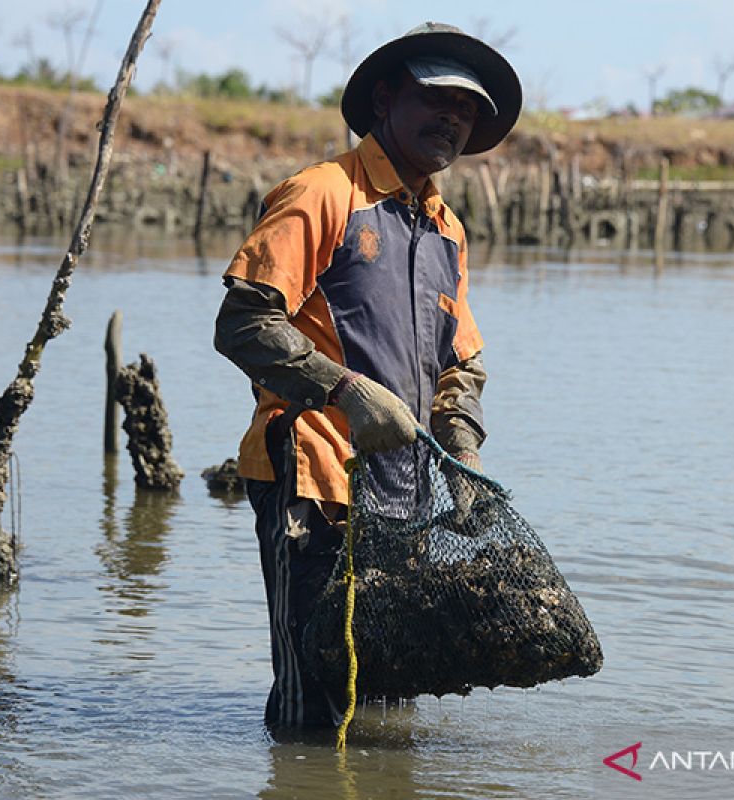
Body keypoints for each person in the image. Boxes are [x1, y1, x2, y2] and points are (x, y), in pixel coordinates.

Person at [214, 21, 521, 730]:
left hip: (405, 499)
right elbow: (243, 323)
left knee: (390, 706)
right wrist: (346, 391)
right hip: (314, 481)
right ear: (385, 99)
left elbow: (462, 365)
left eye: (468, 108)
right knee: (316, 703)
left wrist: (464, 451)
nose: (453, 117)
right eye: (438, 97)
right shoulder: (323, 193)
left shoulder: (446, 227)